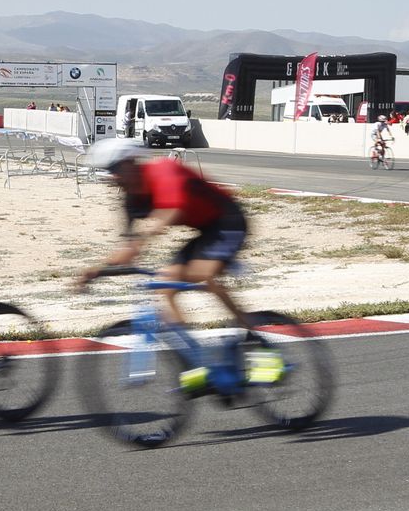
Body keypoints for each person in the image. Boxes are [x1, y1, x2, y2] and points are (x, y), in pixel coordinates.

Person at [74, 138, 268, 392]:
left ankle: (258, 340)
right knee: (166, 286)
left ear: (131, 163)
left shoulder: (163, 169)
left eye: (114, 170)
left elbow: (172, 210)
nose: (112, 179)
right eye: (108, 173)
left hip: (229, 220)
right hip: (204, 230)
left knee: (202, 273)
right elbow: (129, 249)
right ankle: (198, 363)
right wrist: (98, 270)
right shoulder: (131, 201)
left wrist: (147, 233)